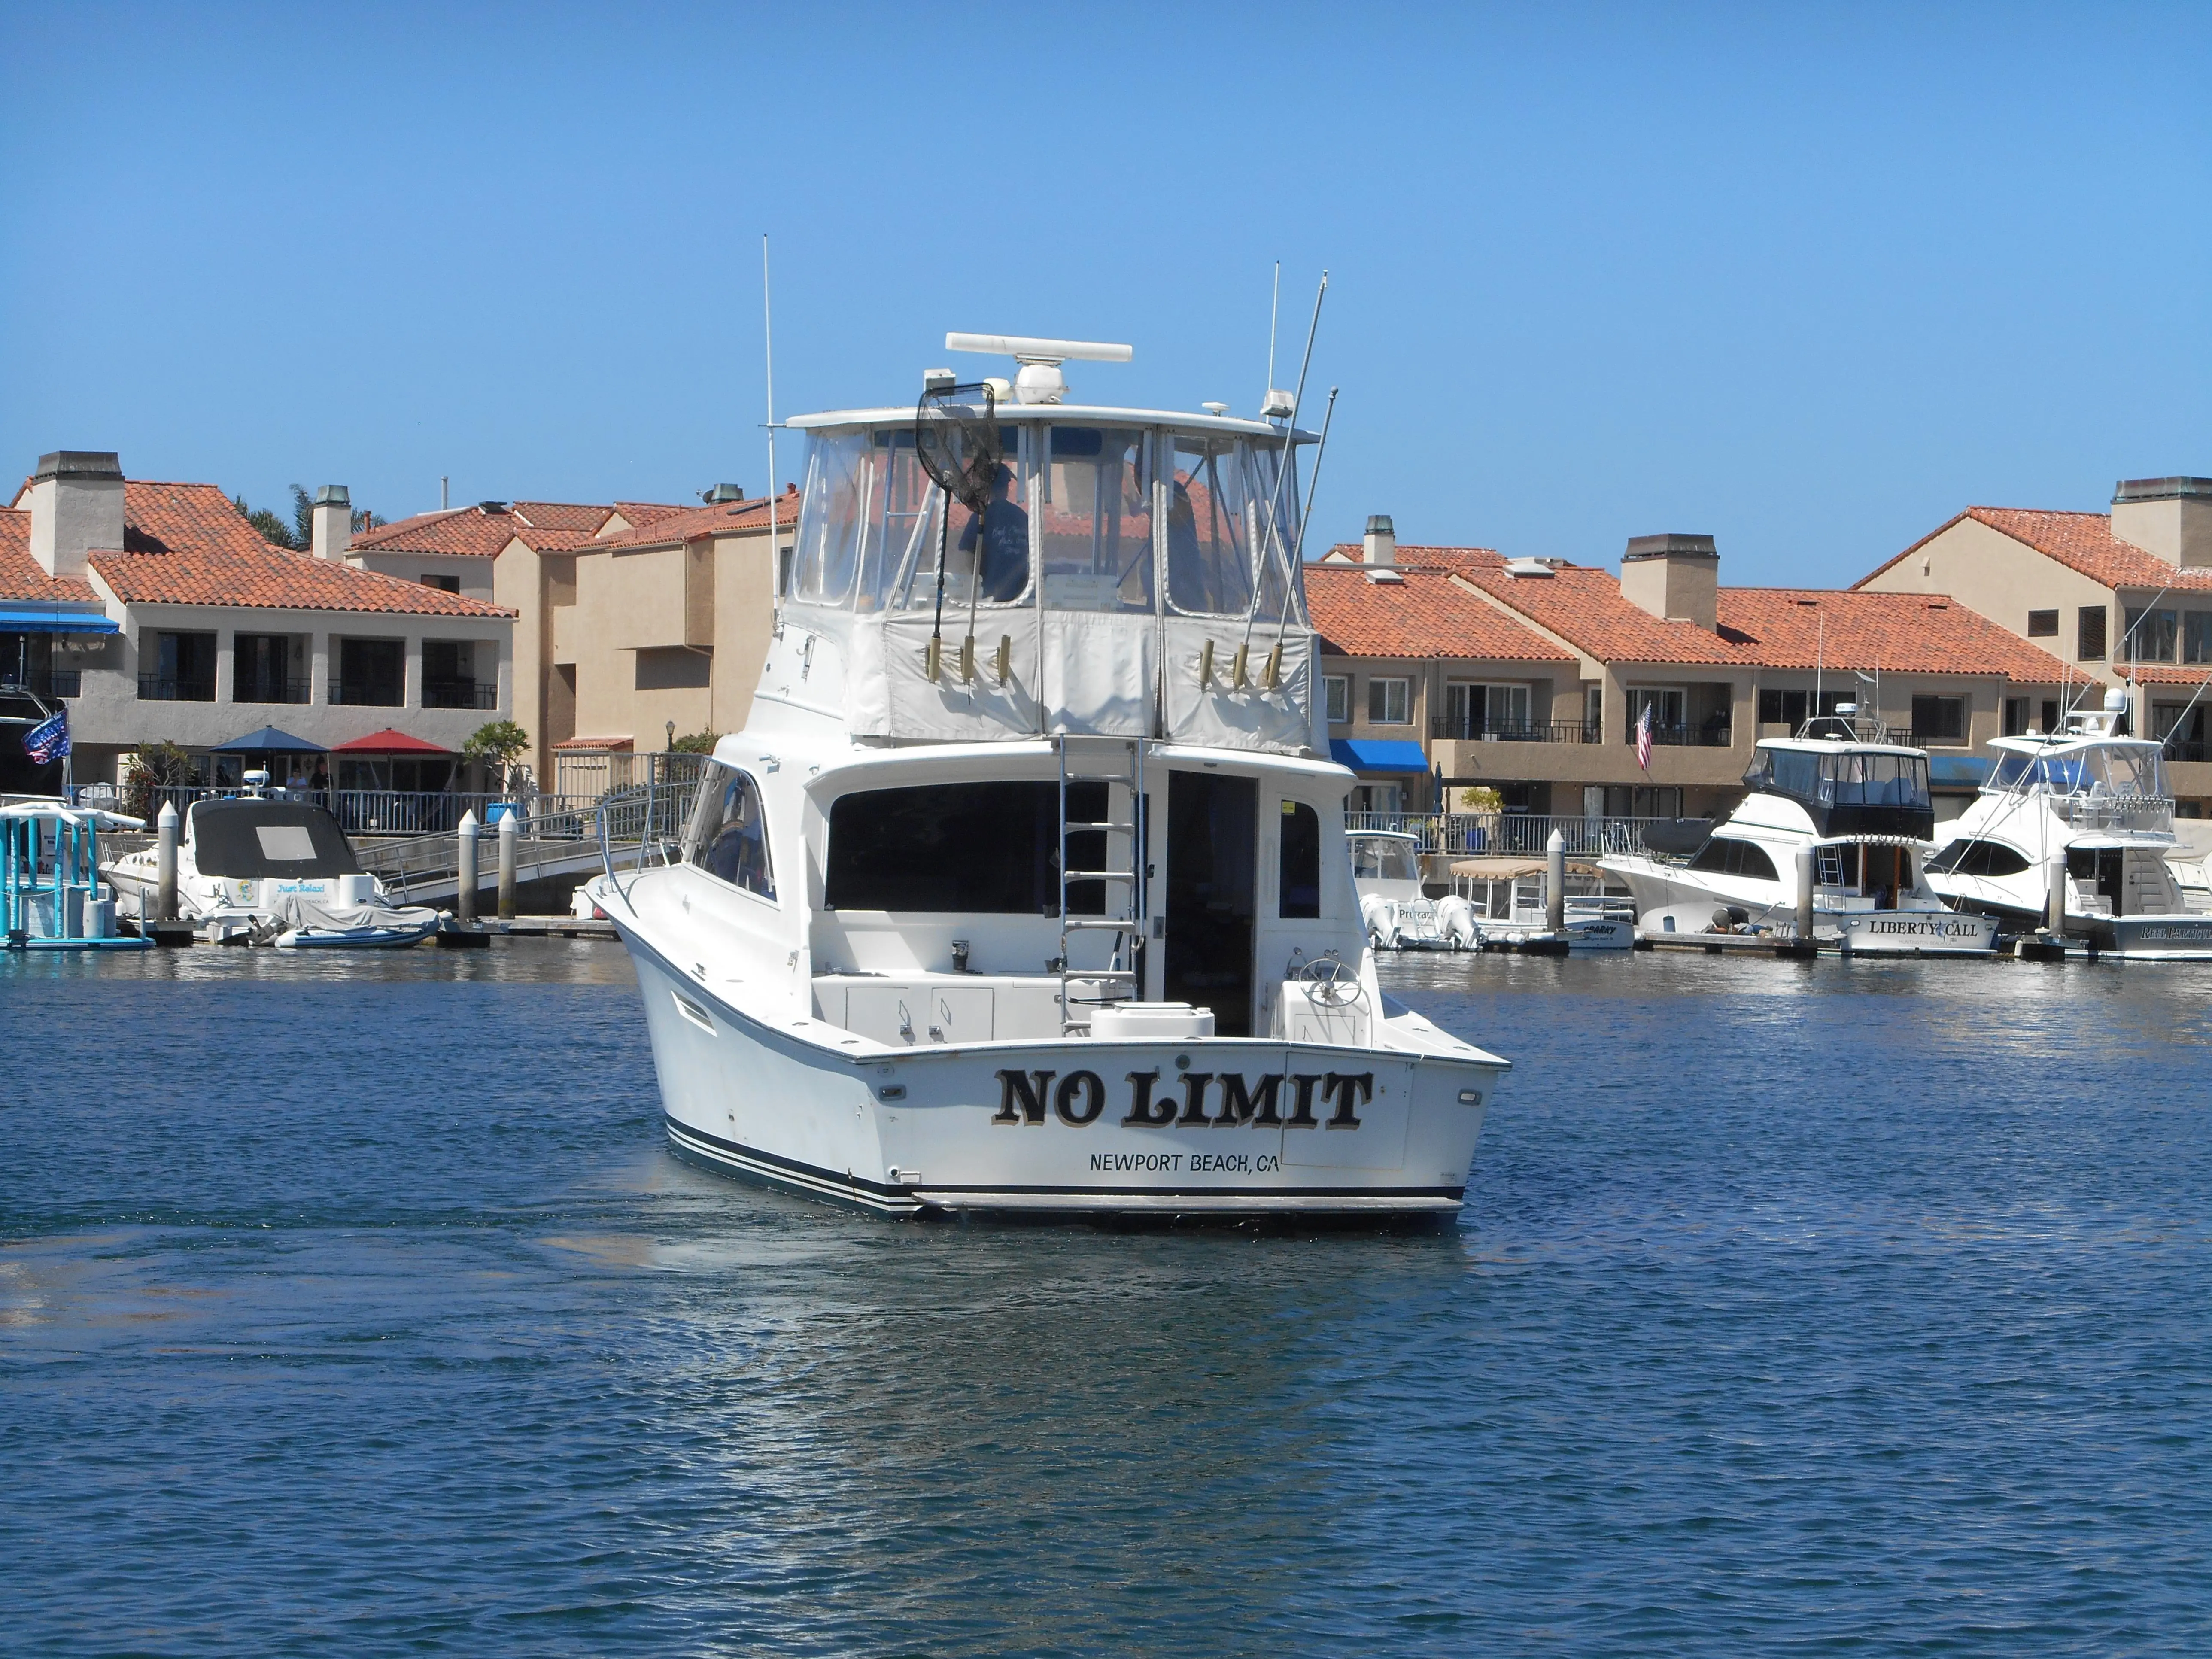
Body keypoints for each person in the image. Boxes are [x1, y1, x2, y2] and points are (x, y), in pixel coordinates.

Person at [954, 464, 1030, 604]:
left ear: (985, 487)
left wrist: (977, 576)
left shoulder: (982, 516)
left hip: (994, 595)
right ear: (1007, 488)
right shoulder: (1021, 516)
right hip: (1024, 595)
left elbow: (967, 552)